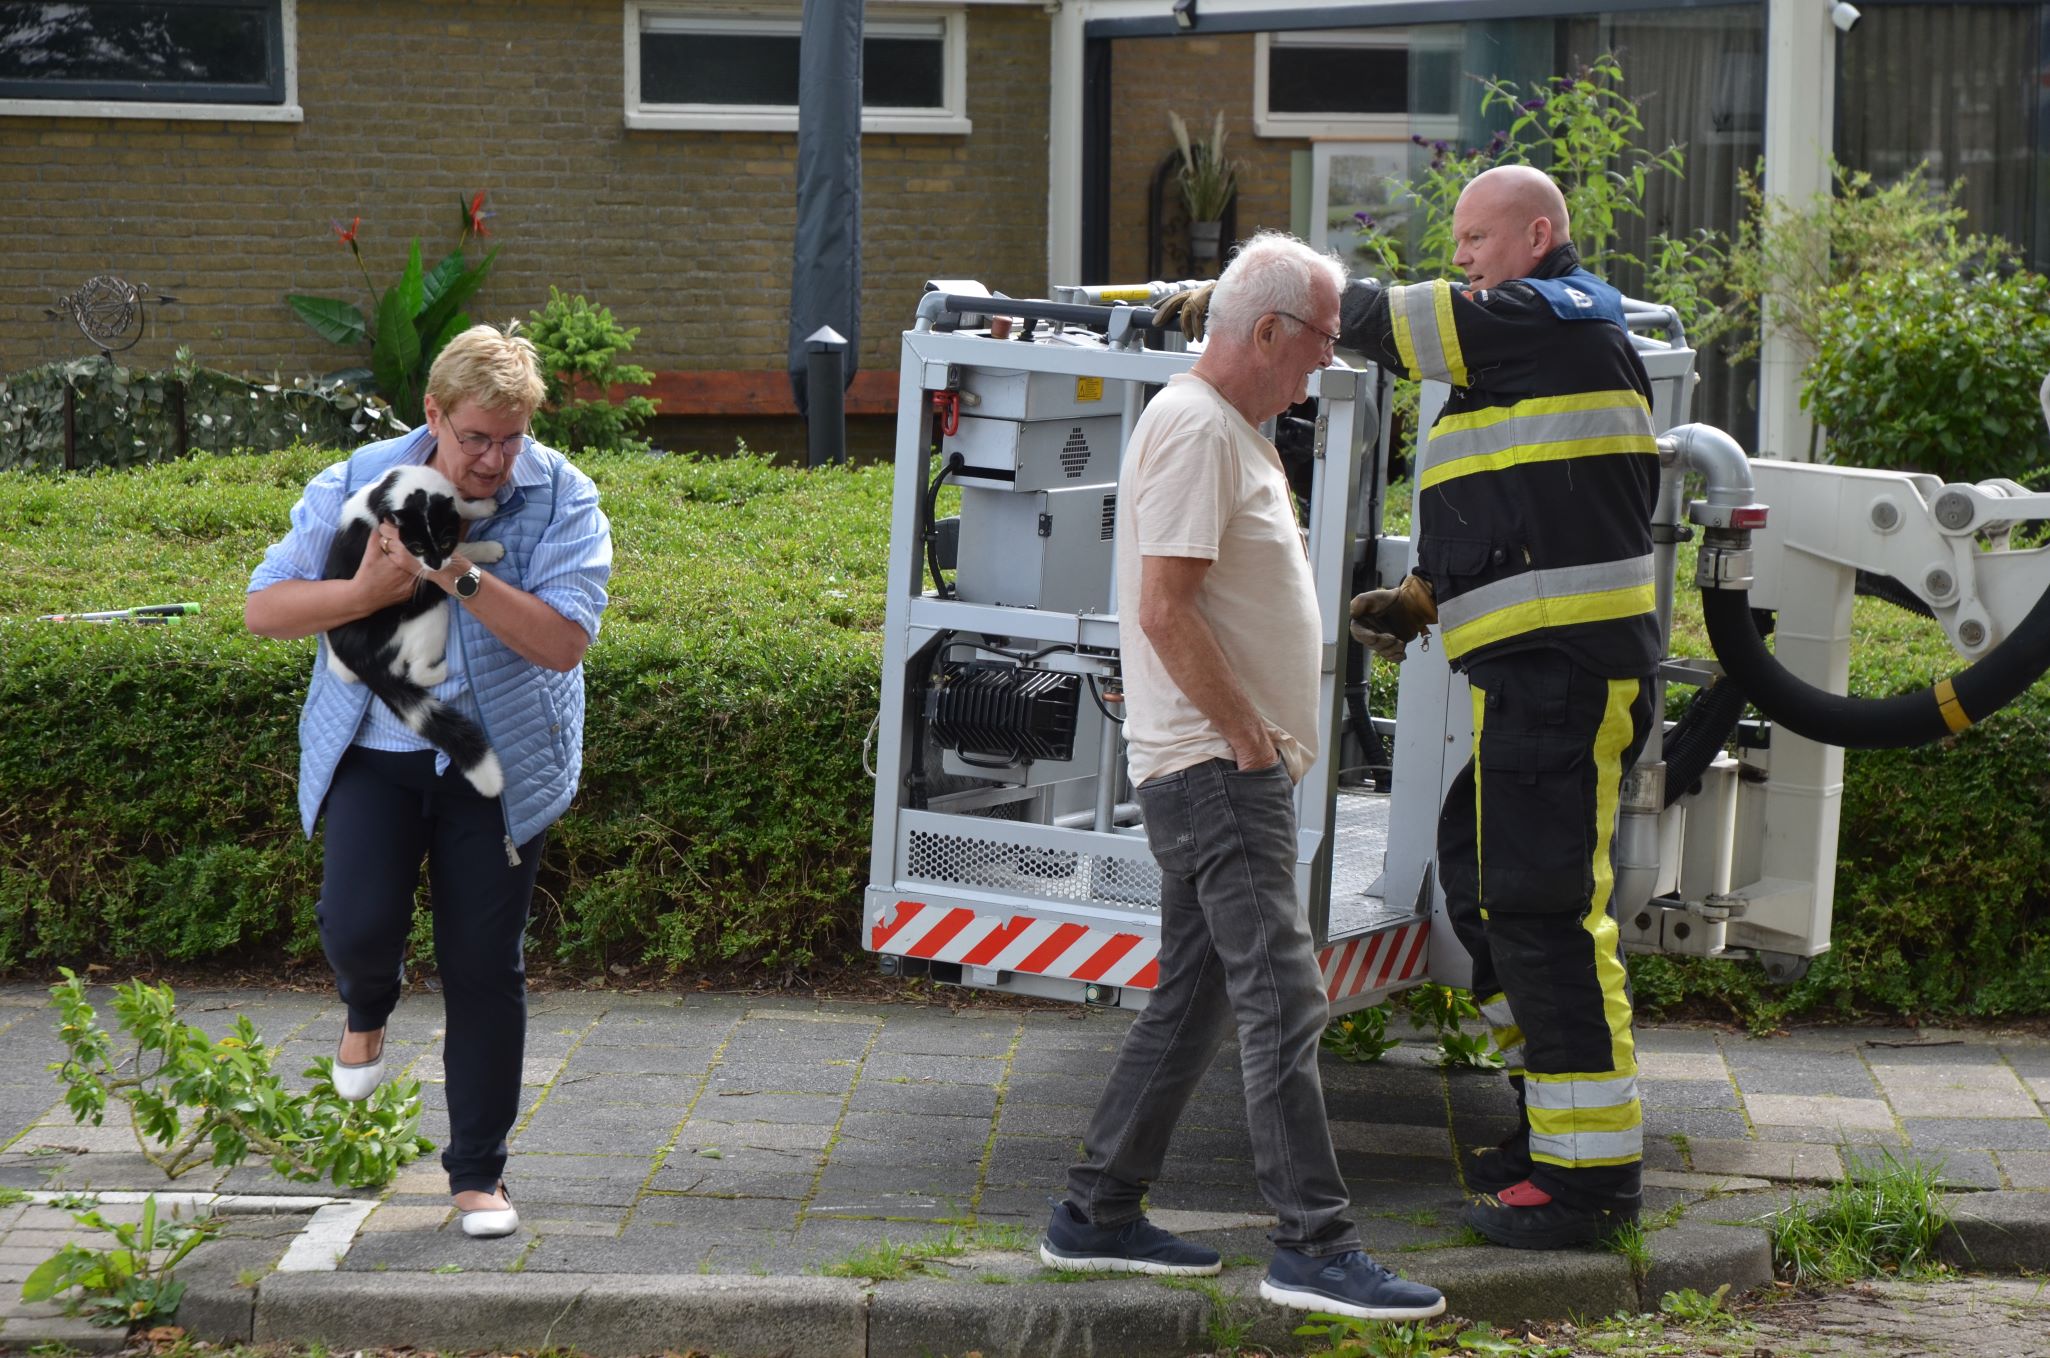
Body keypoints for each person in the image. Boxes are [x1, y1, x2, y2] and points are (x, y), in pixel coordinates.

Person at [1039, 232, 1447, 1323]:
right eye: (1318, 341)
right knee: (1281, 992)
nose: (1325, 363)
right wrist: (1249, 736)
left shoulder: (1228, 429)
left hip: (1219, 763)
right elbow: (1165, 607)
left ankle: (1096, 1210)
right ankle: (1312, 1243)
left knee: (1198, 994)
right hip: (1219, 769)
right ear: (1266, 331)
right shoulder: (1195, 428)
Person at [1340, 165, 1659, 1250]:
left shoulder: (1555, 313)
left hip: (1563, 676)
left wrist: (1265, 290)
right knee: (1483, 892)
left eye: (1476, 238)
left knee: (1545, 911)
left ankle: (1589, 1184)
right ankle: (1552, 1134)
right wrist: (1429, 591)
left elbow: (1383, 322)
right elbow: (1525, 501)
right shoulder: (1528, 355)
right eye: (1457, 240)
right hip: (1538, 676)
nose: (1461, 256)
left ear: (1536, 235)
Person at [246, 325, 612, 1239]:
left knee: (484, 968)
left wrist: (458, 576)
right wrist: (365, 595)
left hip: (496, 763)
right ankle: (367, 1005)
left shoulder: (563, 495)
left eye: (512, 438)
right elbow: (265, 609)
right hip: (376, 748)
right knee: (356, 924)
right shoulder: (356, 481)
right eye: (476, 437)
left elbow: (565, 644)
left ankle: (477, 1176)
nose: (494, 459)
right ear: (434, 415)